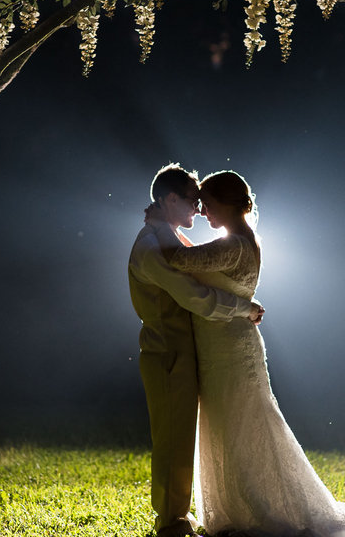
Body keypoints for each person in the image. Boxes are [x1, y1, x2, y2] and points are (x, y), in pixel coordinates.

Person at [147, 170, 345, 537]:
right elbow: (193, 258)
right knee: (233, 425)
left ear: (225, 204)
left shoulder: (233, 246)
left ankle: (257, 507)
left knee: (242, 424)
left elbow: (179, 260)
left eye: (207, 206)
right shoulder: (239, 241)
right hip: (224, 346)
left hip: (228, 350)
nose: (203, 214)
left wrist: (160, 224)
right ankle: (241, 504)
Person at [128, 163, 265, 537]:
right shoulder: (152, 245)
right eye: (192, 200)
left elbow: (194, 262)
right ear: (170, 200)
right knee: (173, 437)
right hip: (167, 351)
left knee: (182, 434)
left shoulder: (166, 235)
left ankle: (176, 515)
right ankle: (170, 521)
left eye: (202, 201)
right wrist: (244, 308)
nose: (198, 209)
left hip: (184, 351)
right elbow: (195, 297)